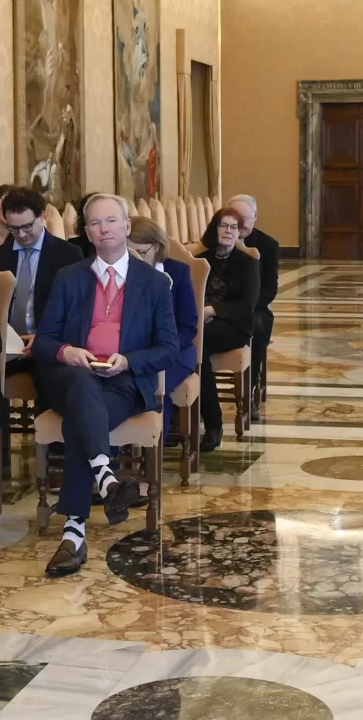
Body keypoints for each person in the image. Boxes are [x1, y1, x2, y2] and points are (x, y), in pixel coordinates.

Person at [32, 195, 182, 576]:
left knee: (79, 423)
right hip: (72, 377)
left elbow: (169, 349)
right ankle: (105, 475)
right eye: (96, 224)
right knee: (82, 383)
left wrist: (129, 360)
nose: (105, 229)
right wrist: (67, 352)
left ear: (127, 227)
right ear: (87, 233)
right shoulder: (69, 277)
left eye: (112, 221)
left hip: (124, 383)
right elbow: (45, 340)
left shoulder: (154, 283)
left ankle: (74, 534)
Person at [127, 217, 203, 500]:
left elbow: (188, 325)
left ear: (157, 247)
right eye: (127, 253)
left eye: (139, 252)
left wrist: (163, 347)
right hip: (132, 352)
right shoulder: (118, 274)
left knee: (156, 386)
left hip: (175, 351)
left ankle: (150, 470)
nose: (133, 259)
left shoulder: (177, 273)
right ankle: (108, 468)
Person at [197, 206, 261, 450]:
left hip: (235, 326)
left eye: (234, 227)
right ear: (215, 229)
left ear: (239, 233)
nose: (228, 231)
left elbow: (247, 306)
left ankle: (214, 425)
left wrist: (212, 311)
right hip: (202, 323)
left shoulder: (248, 263)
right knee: (194, 348)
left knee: (197, 348)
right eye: (224, 225)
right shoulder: (202, 259)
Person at [0, 186, 82, 340]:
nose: (21, 234)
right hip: (5, 345)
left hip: (49, 344)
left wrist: (42, 339)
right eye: (13, 228)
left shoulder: (68, 255)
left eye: (27, 226)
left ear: (41, 217)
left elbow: (76, 312)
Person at [222, 193, 282, 396]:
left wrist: (245, 307)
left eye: (244, 218)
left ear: (255, 217)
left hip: (253, 307)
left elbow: (269, 290)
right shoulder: (215, 241)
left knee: (257, 326)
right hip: (220, 306)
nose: (239, 223)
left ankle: (250, 390)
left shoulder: (268, 245)